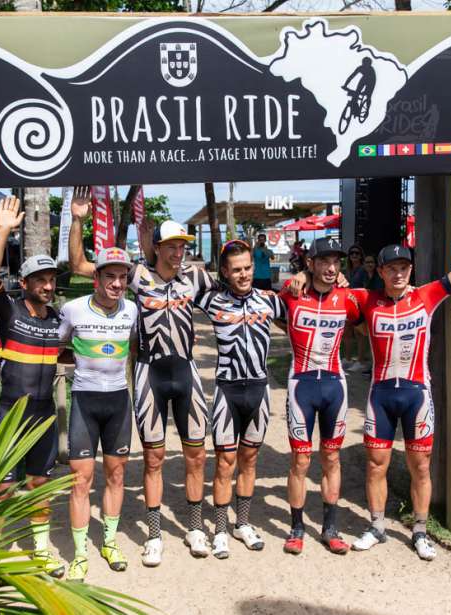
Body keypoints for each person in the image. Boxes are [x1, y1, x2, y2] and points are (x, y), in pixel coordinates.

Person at [69, 190, 213, 566]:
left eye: (183, 246)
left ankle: (195, 527)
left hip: (186, 372)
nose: (179, 252)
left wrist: (298, 279)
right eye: (172, 246)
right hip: (150, 373)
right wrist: (78, 221)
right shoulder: (138, 276)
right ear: (157, 247)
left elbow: (238, 286)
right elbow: (80, 265)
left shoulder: (196, 278)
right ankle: (153, 534)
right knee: (153, 459)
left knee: (196, 456)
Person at [350, 192, 451, 561]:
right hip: (380, 396)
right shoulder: (367, 300)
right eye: (392, 268)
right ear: (382, 272)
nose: (399, 272)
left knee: (420, 464)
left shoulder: (426, 295)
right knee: (377, 464)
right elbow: (325, 289)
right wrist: (298, 277)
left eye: (405, 267)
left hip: (417, 395)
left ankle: (420, 530)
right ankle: (376, 526)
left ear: (411, 269)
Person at [0, 195, 65, 577]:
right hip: (11, 414)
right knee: (3, 486)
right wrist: (2, 231)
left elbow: (66, 355)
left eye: (51, 279)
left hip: (44, 418)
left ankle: (41, 549)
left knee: (39, 484)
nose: (48, 286)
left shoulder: (57, 319)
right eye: (40, 280)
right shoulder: (9, 309)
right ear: (24, 282)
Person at [194, 239, 286, 559]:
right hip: (227, 391)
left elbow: (303, 306)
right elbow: (178, 282)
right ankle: (220, 529)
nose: (244, 274)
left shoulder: (269, 301)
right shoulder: (213, 301)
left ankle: (242, 524)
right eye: (237, 270)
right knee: (225, 463)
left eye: (247, 267)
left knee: (249, 460)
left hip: (259, 391)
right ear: (225, 272)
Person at [58, 236, 138, 581]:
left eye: (123, 277)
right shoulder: (73, 309)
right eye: (110, 277)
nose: (117, 284)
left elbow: (132, 348)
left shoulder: (131, 310)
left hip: (118, 400)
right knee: (81, 479)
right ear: (98, 278)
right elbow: (57, 345)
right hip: (85, 401)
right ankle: (78, 554)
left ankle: (108, 541)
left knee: (117, 474)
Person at [280, 237, 362, 556]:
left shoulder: (347, 298)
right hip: (300, 385)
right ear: (310, 263)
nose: (331, 268)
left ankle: (330, 528)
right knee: (301, 460)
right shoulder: (291, 295)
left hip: (334, 386)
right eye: (324, 261)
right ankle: (297, 527)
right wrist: (293, 280)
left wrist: (408, 289)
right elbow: (262, 301)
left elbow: (384, 299)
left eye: (336, 262)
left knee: (331, 457)